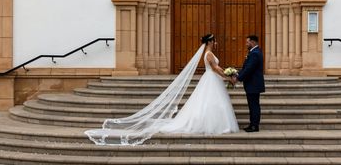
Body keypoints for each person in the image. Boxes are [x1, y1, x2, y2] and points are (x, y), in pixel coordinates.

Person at [85, 33, 238, 146]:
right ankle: (213, 124)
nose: (216, 42)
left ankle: (212, 123)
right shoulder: (209, 54)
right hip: (211, 79)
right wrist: (227, 76)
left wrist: (226, 75)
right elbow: (215, 68)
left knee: (209, 103)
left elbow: (216, 67)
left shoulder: (209, 53)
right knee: (210, 102)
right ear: (210, 41)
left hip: (211, 80)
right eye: (215, 40)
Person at [231, 34, 265, 132]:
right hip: (252, 84)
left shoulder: (255, 53)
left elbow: (249, 69)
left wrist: (238, 78)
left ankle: (254, 126)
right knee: (252, 105)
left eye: (247, 42)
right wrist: (237, 73)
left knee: (254, 105)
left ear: (253, 42)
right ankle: (252, 124)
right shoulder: (254, 52)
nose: (246, 44)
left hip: (253, 84)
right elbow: (246, 68)